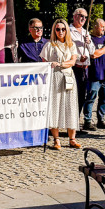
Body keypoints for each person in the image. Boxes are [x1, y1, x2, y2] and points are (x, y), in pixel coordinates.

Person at [41, 19, 79, 149]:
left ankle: (72, 139)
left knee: (70, 106)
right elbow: (44, 62)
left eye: (63, 29)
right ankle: (56, 139)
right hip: (55, 77)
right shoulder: (49, 45)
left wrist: (61, 64)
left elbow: (73, 61)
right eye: (58, 29)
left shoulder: (71, 45)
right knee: (54, 106)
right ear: (54, 31)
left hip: (68, 76)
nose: (60, 32)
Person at [82, 19, 105, 131]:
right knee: (91, 98)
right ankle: (87, 121)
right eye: (102, 27)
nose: (104, 29)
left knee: (104, 99)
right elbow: (94, 54)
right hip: (95, 75)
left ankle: (101, 120)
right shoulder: (90, 39)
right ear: (95, 26)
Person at [68, 8, 94, 118]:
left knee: (82, 97)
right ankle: (72, 124)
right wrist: (78, 57)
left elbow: (92, 51)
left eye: (85, 16)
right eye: (81, 16)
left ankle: (77, 122)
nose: (83, 18)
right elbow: (65, 50)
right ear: (74, 16)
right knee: (73, 97)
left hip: (86, 68)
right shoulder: (68, 31)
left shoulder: (86, 32)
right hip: (74, 67)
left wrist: (88, 42)